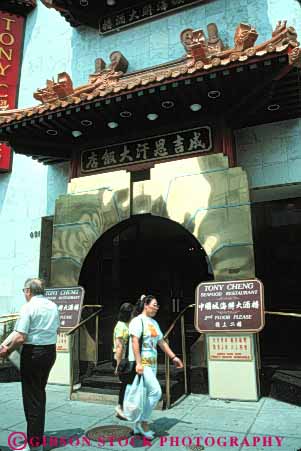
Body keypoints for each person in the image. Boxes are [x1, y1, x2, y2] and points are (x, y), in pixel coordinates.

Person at [0, 278, 60, 451]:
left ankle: (34, 444)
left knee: (32, 399)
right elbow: (17, 331)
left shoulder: (28, 307)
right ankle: (36, 440)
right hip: (49, 352)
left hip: (33, 354)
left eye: (24, 291)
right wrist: (4, 344)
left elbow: (21, 336)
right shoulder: (53, 306)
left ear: (28, 291)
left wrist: (6, 350)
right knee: (38, 394)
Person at [128, 294, 183, 439]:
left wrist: (174, 357)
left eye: (157, 305)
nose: (157, 308)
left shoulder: (153, 322)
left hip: (152, 363)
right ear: (146, 305)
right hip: (143, 363)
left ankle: (136, 425)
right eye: (154, 304)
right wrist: (139, 363)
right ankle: (144, 423)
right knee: (156, 392)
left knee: (146, 395)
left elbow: (161, 342)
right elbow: (135, 342)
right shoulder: (137, 321)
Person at [112, 302, 134, 419]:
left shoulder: (129, 323)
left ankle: (124, 407)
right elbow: (119, 347)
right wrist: (118, 365)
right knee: (125, 384)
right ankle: (120, 406)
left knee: (128, 384)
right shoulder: (120, 326)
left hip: (129, 358)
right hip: (122, 359)